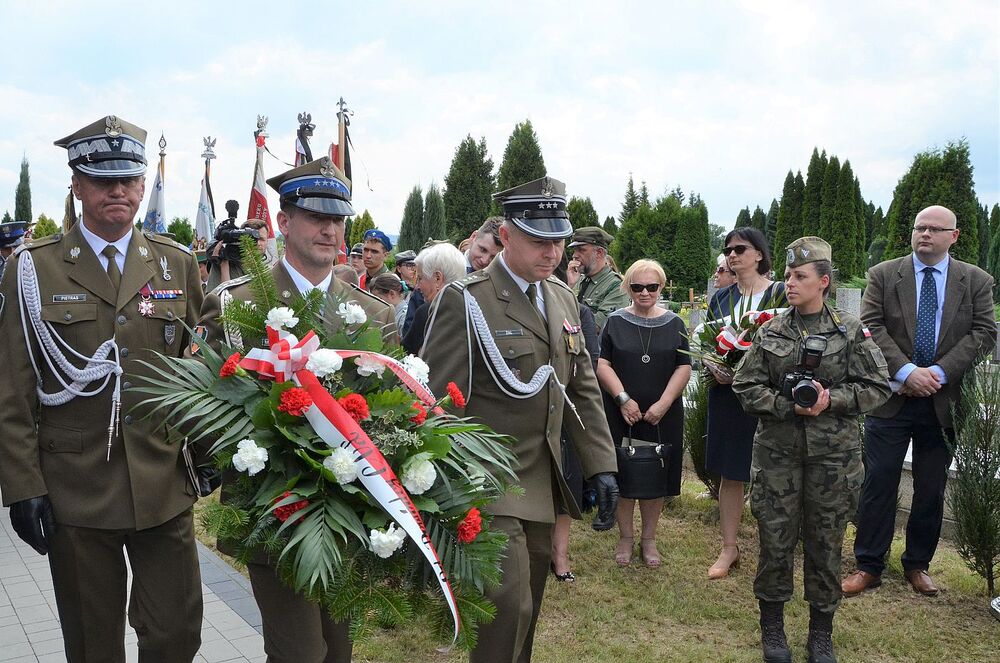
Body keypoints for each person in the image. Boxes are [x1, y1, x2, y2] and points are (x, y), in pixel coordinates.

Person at [0, 115, 205, 662]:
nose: (116, 189)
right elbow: (13, 390)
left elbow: (203, 373)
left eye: (127, 178)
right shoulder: (33, 270)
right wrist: (22, 487)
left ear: (142, 186)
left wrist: (207, 453)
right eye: (100, 177)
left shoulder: (177, 266)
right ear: (77, 184)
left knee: (176, 635)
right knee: (93, 646)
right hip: (76, 490)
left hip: (162, 485)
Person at [197, 156, 397, 663]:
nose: (330, 230)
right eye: (316, 217)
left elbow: (394, 413)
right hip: (274, 513)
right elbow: (207, 409)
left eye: (338, 219)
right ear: (284, 222)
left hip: (348, 511)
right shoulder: (236, 305)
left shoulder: (375, 314)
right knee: (298, 652)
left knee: (338, 650)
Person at [421, 176, 619, 663]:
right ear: (506, 236)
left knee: (526, 607)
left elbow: (580, 387)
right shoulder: (466, 299)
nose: (552, 251)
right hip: (486, 479)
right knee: (505, 603)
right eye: (539, 240)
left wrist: (602, 463)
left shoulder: (562, 297)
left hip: (540, 477)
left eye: (558, 240)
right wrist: (442, 493)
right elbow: (437, 398)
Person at [732, 237, 891, 663]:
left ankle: (821, 633)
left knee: (826, 542)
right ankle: (773, 630)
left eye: (800, 276)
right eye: (787, 275)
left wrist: (830, 401)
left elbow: (877, 386)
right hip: (777, 455)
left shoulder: (849, 331)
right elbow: (745, 385)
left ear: (824, 281)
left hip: (833, 460)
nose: (790, 283)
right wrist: (786, 405)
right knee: (775, 541)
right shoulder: (770, 329)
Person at [843, 205, 996, 599]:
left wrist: (939, 374)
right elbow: (871, 326)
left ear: (954, 236)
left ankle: (917, 565)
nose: (925, 234)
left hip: (942, 402)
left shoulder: (975, 280)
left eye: (934, 229)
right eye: (919, 228)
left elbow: (983, 332)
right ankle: (868, 564)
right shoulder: (883, 274)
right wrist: (908, 371)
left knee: (931, 487)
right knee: (879, 482)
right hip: (892, 397)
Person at [596, 259, 690, 568]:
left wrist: (664, 403)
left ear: (662, 287)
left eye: (652, 287)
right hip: (622, 413)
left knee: (655, 476)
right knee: (624, 473)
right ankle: (625, 536)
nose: (645, 293)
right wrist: (623, 399)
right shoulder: (615, 322)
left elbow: (684, 366)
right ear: (628, 288)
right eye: (637, 287)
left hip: (663, 414)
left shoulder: (676, 323)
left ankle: (649, 538)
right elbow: (602, 363)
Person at [704, 228, 785, 579]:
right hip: (728, 394)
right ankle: (729, 547)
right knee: (731, 471)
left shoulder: (781, 293)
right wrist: (714, 365)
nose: (732, 255)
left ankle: (776, 550)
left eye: (740, 249)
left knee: (774, 473)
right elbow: (706, 341)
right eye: (728, 250)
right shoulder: (721, 298)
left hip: (769, 394)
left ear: (759, 254)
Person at [549, 256, 602, 582]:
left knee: (567, 481)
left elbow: (589, 364)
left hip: (567, 411)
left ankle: (561, 553)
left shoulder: (580, 312)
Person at [401, 242, 465, 355]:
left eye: (420, 278)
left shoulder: (428, 312)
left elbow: (404, 355)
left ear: (437, 278)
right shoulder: (473, 309)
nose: (417, 286)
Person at [566, 226, 629, 332]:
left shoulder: (616, 286)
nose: (574, 255)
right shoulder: (577, 280)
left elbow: (596, 327)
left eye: (581, 250)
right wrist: (567, 286)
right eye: (575, 250)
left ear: (599, 253)